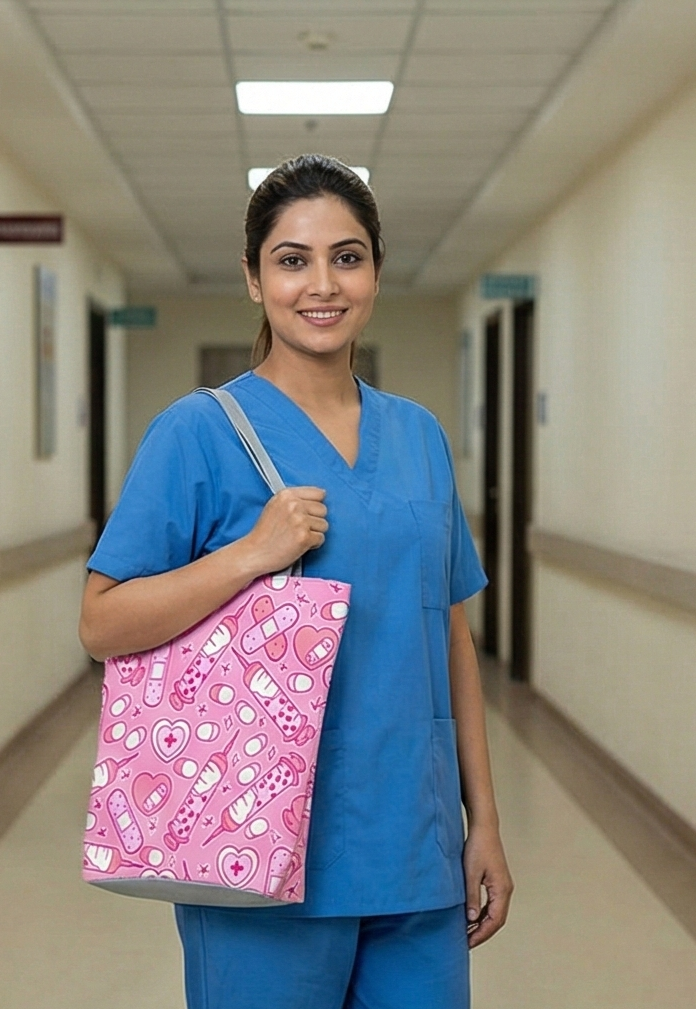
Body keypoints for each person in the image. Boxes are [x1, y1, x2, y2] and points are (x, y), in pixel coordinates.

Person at [79, 154, 513, 1009]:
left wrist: (483, 823)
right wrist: (249, 553)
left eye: (346, 257)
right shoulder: (197, 433)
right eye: (291, 259)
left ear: (375, 273)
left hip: (414, 846)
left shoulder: (418, 436)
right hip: (254, 851)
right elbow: (102, 623)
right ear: (253, 278)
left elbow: (449, 635)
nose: (322, 284)